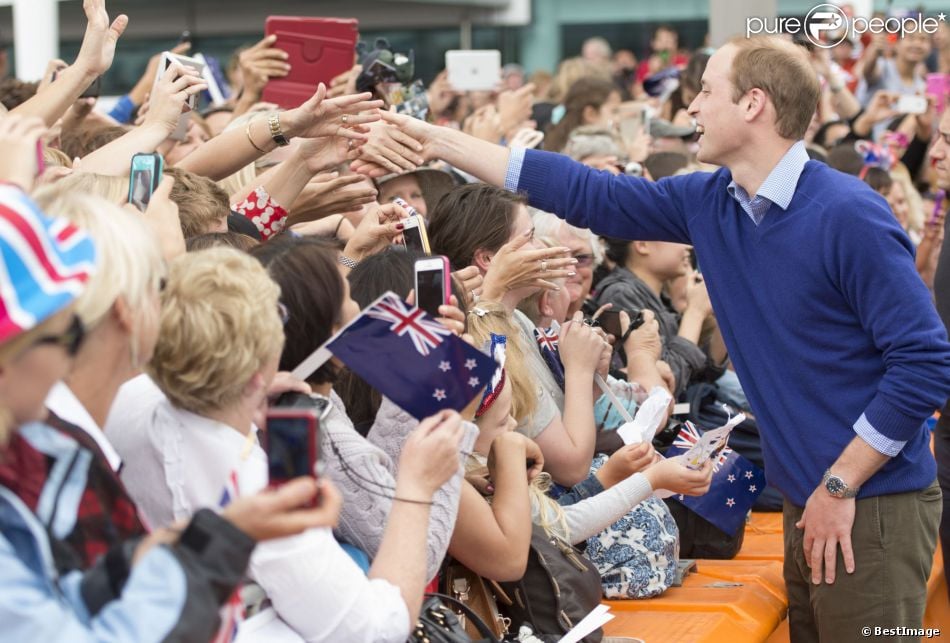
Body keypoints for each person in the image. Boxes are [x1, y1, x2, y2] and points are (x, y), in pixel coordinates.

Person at [363, 34, 950, 641]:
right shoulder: (710, 201)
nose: (690, 106)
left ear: (753, 104)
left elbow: (926, 364)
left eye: (703, 90)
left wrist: (839, 483)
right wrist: (434, 141)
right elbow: (585, 192)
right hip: (817, 500)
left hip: (868, 503)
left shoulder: (848, 212)